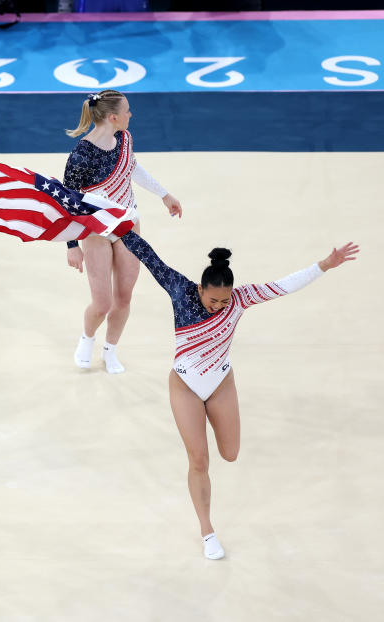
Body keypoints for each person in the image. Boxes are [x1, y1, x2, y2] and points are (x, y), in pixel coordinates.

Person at [120, 229, 359, 559]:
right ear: (200, 289)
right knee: (199, 460)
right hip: (186, 386)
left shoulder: (241, 298)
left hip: (220, 384)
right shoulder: (180, 290)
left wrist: (325, 265)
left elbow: (283, 285)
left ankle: (208, 518)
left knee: (230, 454)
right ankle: (207, 532)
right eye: (212, 299)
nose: (219, 306)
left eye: (224, 300)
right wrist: (118, 228)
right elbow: (150, 257)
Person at [63, 89, 183, 373]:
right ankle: (87, 338)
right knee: (102, 302)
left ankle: (110, 349)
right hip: (97, 229)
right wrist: (71, 247)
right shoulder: (82, 155)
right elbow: (66, 202)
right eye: (128, 111)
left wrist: (164, 194)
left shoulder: (125, 139)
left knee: (124, 297)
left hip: (128, 224)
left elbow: (133, 169)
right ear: (114, 117)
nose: (132, 115)